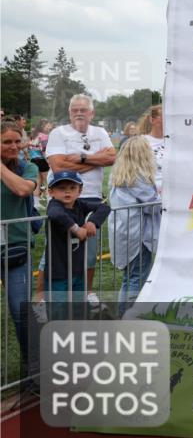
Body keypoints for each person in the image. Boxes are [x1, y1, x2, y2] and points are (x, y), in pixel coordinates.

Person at [44, 94, 116, 307]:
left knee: (89, 250)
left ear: (92, 113)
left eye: (83, 110)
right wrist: (96, 161)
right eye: (74, 110)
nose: (78, 113)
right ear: (69, 112)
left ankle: (86, 292)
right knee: (54, 251)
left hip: (91, 198)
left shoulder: (100, 132)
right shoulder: (58, 133)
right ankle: (41, 297)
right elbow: (58, 166)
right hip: (62, 200)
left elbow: (112, 158)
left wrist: (81, 158)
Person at [41, 170, 110, 319]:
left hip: (78, 271)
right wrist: (77, 229)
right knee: (58, 313)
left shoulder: (80, 204)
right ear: (51, 191)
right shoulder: (55, 205)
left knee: (79, 310)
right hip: (58, 273)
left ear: (80, 191)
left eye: (72, 188)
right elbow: (55, 215)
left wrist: (93, 222)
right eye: (61, 188)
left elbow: (104, 207)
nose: (67, 191)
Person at [1, 121, 39, 361]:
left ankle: (33, 370)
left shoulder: (28, 167)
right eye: (7, 142)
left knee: (21, 310)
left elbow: (23, 190)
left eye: (17, 141)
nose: (14, 146)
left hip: (16, 248)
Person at [108, 137, 161, 312]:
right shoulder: (139, 178)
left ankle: (123, 314)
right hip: (138, 234)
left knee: (129, 278)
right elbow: (152, 205)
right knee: (137, 278)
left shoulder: (119, 176)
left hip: (123, 232)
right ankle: (128, 316)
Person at [138, 105, 166, 194]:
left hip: (173, 196)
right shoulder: (141, 142)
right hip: (151, 197)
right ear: (152, 120)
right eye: (164, 117)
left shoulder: (175, 141)